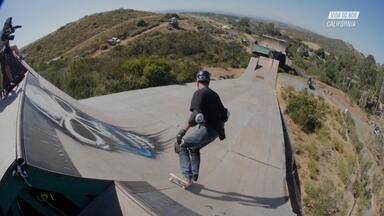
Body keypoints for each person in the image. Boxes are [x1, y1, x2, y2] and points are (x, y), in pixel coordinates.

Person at [174, 70, 229, 184]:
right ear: (208, 81)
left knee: (182, 145)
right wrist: (221, 130)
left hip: (207, 129)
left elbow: (195, 116)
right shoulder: (214, 94)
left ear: (197, 80)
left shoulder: (199, 93)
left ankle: (186, 176)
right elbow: (225, 114)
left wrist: (182, 131)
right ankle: (194, 173)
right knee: (194, 148)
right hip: (215, 132)